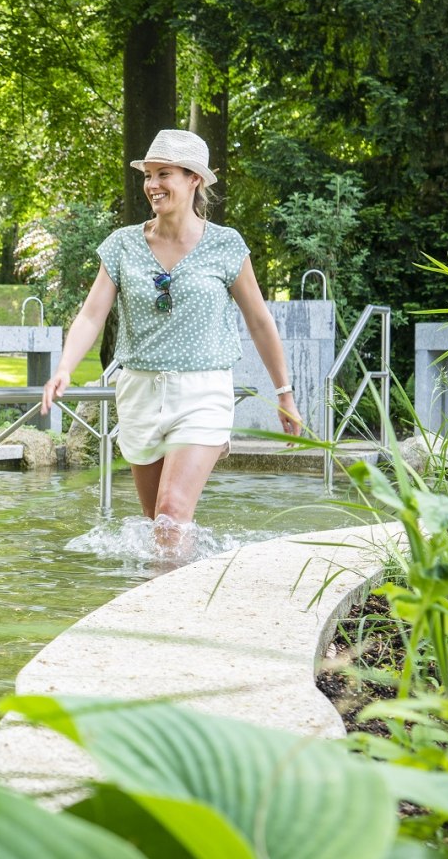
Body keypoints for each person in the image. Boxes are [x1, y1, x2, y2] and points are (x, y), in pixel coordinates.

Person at [40, 130, 301, 554]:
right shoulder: (123, 244)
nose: (152, 184)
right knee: (156, 529)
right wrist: (65, 367)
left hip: (203, 391)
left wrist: (284, 393)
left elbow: (259, 320)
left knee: (171, 511)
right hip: (140, 391)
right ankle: (180, 593)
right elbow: (92, 314)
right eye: (147, 174)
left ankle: (168, 619)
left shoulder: (225, 244)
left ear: (194, 178)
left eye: (163, 174)